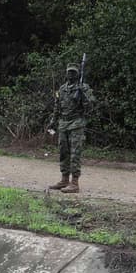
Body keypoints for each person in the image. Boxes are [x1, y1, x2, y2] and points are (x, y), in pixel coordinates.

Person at [48, 63, 93, 193]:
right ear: (66, 73)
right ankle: (64, 179)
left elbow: (90, 107)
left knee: (75, 153)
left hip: (76, 124)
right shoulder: (62, 89)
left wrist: (82, 93)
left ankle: (74, 183)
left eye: (73, 72)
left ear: (77, 74)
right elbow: (57, 107)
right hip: (63, 124)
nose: (71, 75)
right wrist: (53, 122)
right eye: (69, 72)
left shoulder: (84, 88)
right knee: (63, 152)